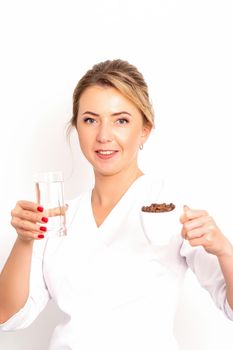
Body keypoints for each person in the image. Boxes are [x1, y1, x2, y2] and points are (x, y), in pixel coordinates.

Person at [0, 59, 233, 350]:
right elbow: (6, 316)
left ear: (145, 129)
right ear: (76, 127)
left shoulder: (172, 210)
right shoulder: (59, 217)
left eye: (121, 120)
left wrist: (224, 250)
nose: (103, 136)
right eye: (90, 119)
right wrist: (24, 240)